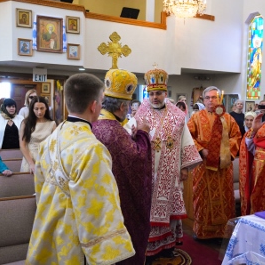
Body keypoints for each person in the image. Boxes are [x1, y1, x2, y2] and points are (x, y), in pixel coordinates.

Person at [26, 73, 135, 264]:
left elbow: (40, 187)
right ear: (94, 105)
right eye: (101, 102)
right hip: (73, 237)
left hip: (47, 227)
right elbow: (98, 209)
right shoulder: (92, 149)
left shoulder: (51, 138)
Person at [127, 68, 202, 264]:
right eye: (151, 93)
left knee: (170, 211)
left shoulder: (178, 116)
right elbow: (130, 140)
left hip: (171, 172)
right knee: (148, 210)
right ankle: (148, 248)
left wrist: (185, 167)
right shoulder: (139, 114)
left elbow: (186, 141)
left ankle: (168, 247)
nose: (154, 97)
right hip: (147, 173)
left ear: (165, 93)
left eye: (158, 93)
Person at [92, 69, 152, 265]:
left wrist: (131, 138)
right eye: (126, 106)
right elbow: (137, 158)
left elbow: (122, 152)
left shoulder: (95, 126)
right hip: (120, 203)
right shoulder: (115, 131)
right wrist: (142, 134)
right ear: (122, 106)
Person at [187, 86, 241, 240]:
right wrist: (202, 150)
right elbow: (188, 137)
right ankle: (203, 232)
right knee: (202, 198)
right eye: (208, 98)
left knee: (224, 199)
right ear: (203, 100)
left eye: (214, 97)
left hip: (222, 168)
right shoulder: (196, 118)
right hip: (203, 167)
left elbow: (236, 137)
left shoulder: (228, 118)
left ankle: (223, 232)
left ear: (219, 99)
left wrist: (223, 152)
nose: (211, 101)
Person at [19, 96, 56, 173]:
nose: (39, 112)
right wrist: (31, 163)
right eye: (36, 109)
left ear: (46, 108)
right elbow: (22, 145)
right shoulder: (25, 123)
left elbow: (55, 144)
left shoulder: (52, 123)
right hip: (31, 157)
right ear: (32, 109)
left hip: (47, 157)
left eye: (42, 108)